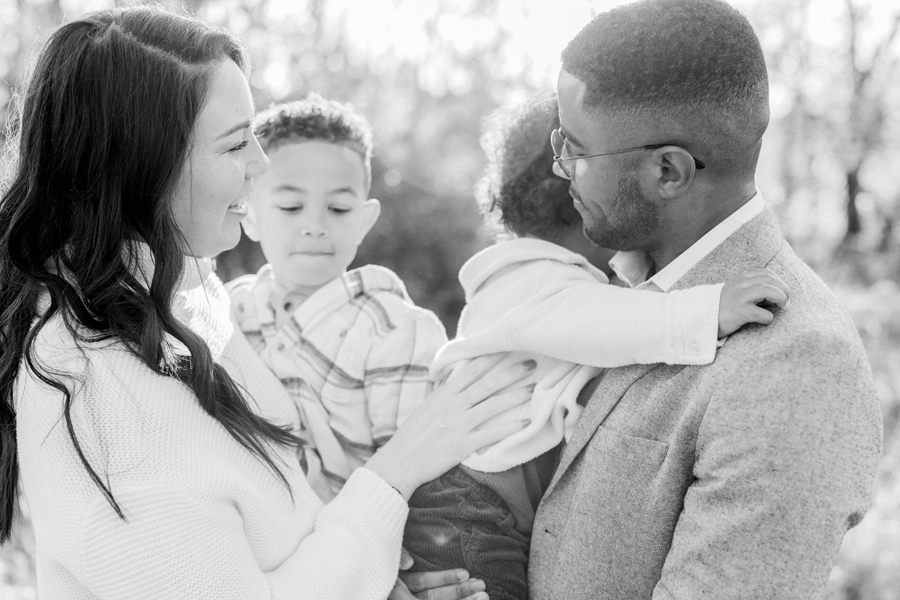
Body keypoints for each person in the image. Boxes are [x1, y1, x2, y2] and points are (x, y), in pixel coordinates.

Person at [0, 7, 531, 600]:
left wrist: (378, 584)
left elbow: (264, 540)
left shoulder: (187, 300)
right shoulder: (101, 398)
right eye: (234, 145)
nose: (260, 162)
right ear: (141, 169)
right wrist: (398, 469)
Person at [527, 1, 883, 598]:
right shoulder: (602, 288)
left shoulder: (797, 364)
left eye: (578, 149)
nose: (563, 168)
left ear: (668, 172)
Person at [403, 92, 790, 600]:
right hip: (467, 509)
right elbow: (606, 323)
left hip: (489, 508)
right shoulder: (529, 282)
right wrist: (706, 310)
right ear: (583, 206)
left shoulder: (545, 277)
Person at [227, 95, 447, 502]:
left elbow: (415, 471)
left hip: (354, 537)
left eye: (339, 209)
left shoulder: (394, 330)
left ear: (364, 221)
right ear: (250, 215)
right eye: (291, 206)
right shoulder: (230, 311)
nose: (315, 225)